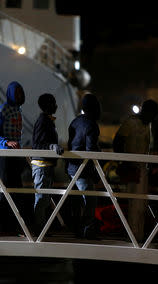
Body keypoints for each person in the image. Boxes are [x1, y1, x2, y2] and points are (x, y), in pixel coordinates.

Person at [113, 99, 158, 242]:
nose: (153, 117)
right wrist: (123, 162)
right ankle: (134, 236)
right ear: (146, 111)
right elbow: (117, 142)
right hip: (132, 168)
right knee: (135, 204)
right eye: (152, 114)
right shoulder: (130, 123)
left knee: (141, 204)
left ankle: (138, 235)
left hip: (143, 169)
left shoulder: (148, 125)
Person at [0, 81, 28, 235]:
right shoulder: (3, 109)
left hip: (15, 155)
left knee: (16, 191)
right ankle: (4, 229)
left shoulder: (18, 110)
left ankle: (13, 227)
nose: (19, 95)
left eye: (21, 92)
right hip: (4, 155)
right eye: (16, 92)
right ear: (10, 93)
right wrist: (5, 141)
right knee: (7, 192)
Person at [66, 93, 101, 239]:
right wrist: (96, 172)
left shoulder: (74, 122)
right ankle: (87, 230)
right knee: (90, 200)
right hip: (83, 169)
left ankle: (76, 230)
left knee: (76, 201)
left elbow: (70, 144)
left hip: (71, 168)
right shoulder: (91, 124)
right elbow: (90, 150)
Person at [31, 94, 64, 235]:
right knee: (41, 200)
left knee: (44, 200)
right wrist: (51, 146)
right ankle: (38, 231)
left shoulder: (47, 120)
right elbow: (37, 144)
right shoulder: (43, 120)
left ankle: (41, 229)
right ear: (48, 105)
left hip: (46, 165)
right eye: (54, 103)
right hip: (41, 166)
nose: (56, 105)